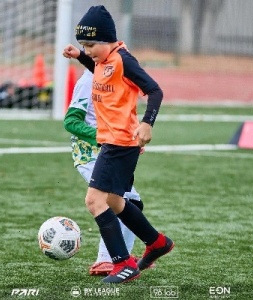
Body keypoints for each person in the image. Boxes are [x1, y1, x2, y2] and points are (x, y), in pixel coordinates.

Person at [63, 5, 174, 283]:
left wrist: (148, 123)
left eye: (90, 45)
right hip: (113, 142)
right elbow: (100, 69)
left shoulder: (124, 59)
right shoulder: (104, 61)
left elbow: (155, 90)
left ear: (107, 39)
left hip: (119, 143)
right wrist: (81, 57)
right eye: (83, 46)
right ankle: (157, 242)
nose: (88, 50)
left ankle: (122, 263)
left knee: (94, 200)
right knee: (113, 200)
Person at [64, 69, 145, 276]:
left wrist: (131, 138)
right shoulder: (86, 82)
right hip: (90, 155)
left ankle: (122, 256)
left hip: (113, 152)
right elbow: (71, 122)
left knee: (132, 202)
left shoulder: (111, 79)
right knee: (116, 200)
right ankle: (106, 260)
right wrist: (103, 137)